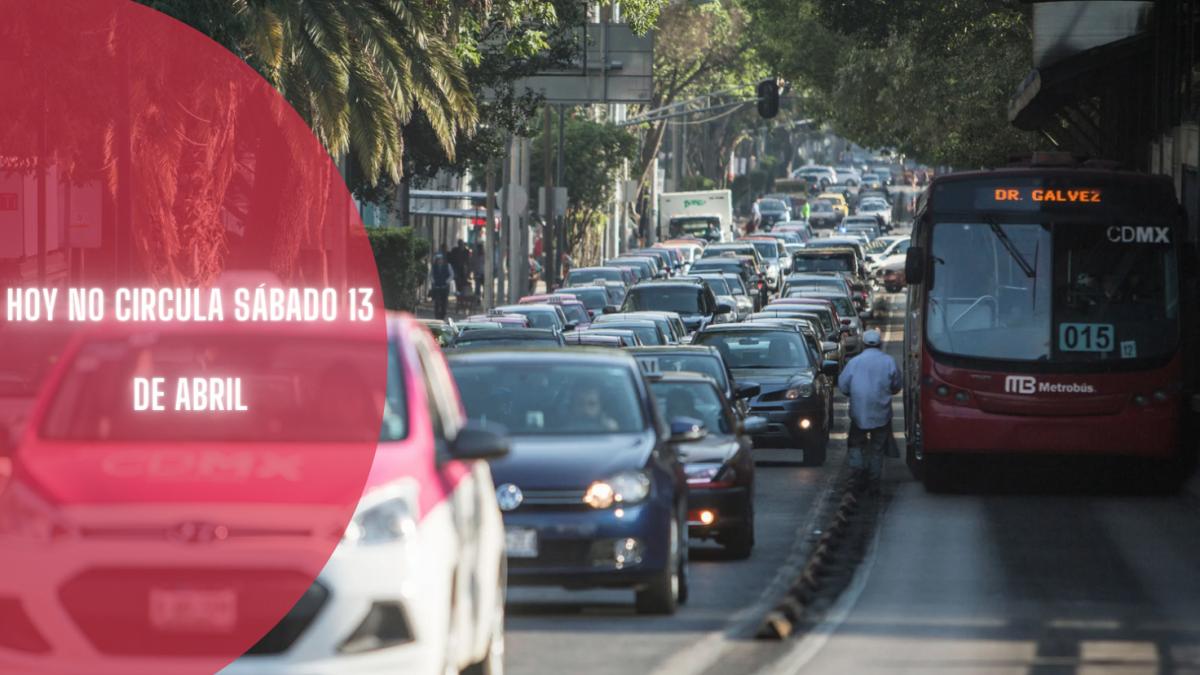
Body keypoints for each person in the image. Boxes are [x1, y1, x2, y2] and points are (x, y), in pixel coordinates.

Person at [837, 329, 901, 493]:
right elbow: (896, 386)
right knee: (877, 449)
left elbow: (843, 386)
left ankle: (856, 474)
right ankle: (874, 482)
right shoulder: (889, 361)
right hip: (881, 413)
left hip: (859, 413)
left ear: (863, 344)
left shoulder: (855, 362)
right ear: (880, 344)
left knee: (856, 444)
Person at [429, 252, 453, 320]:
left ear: (443, 260)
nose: (439, 261)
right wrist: (433, 281)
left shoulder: (448, 265)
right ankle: (437, 315)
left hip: (444, 287)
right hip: (436, 287)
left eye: (441, 259)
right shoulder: (434, 267)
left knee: (444, 302)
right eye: (438, 259)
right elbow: (431, 275)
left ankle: (443, 315)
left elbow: (451, 275)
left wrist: (447, 281)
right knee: (437, 301)